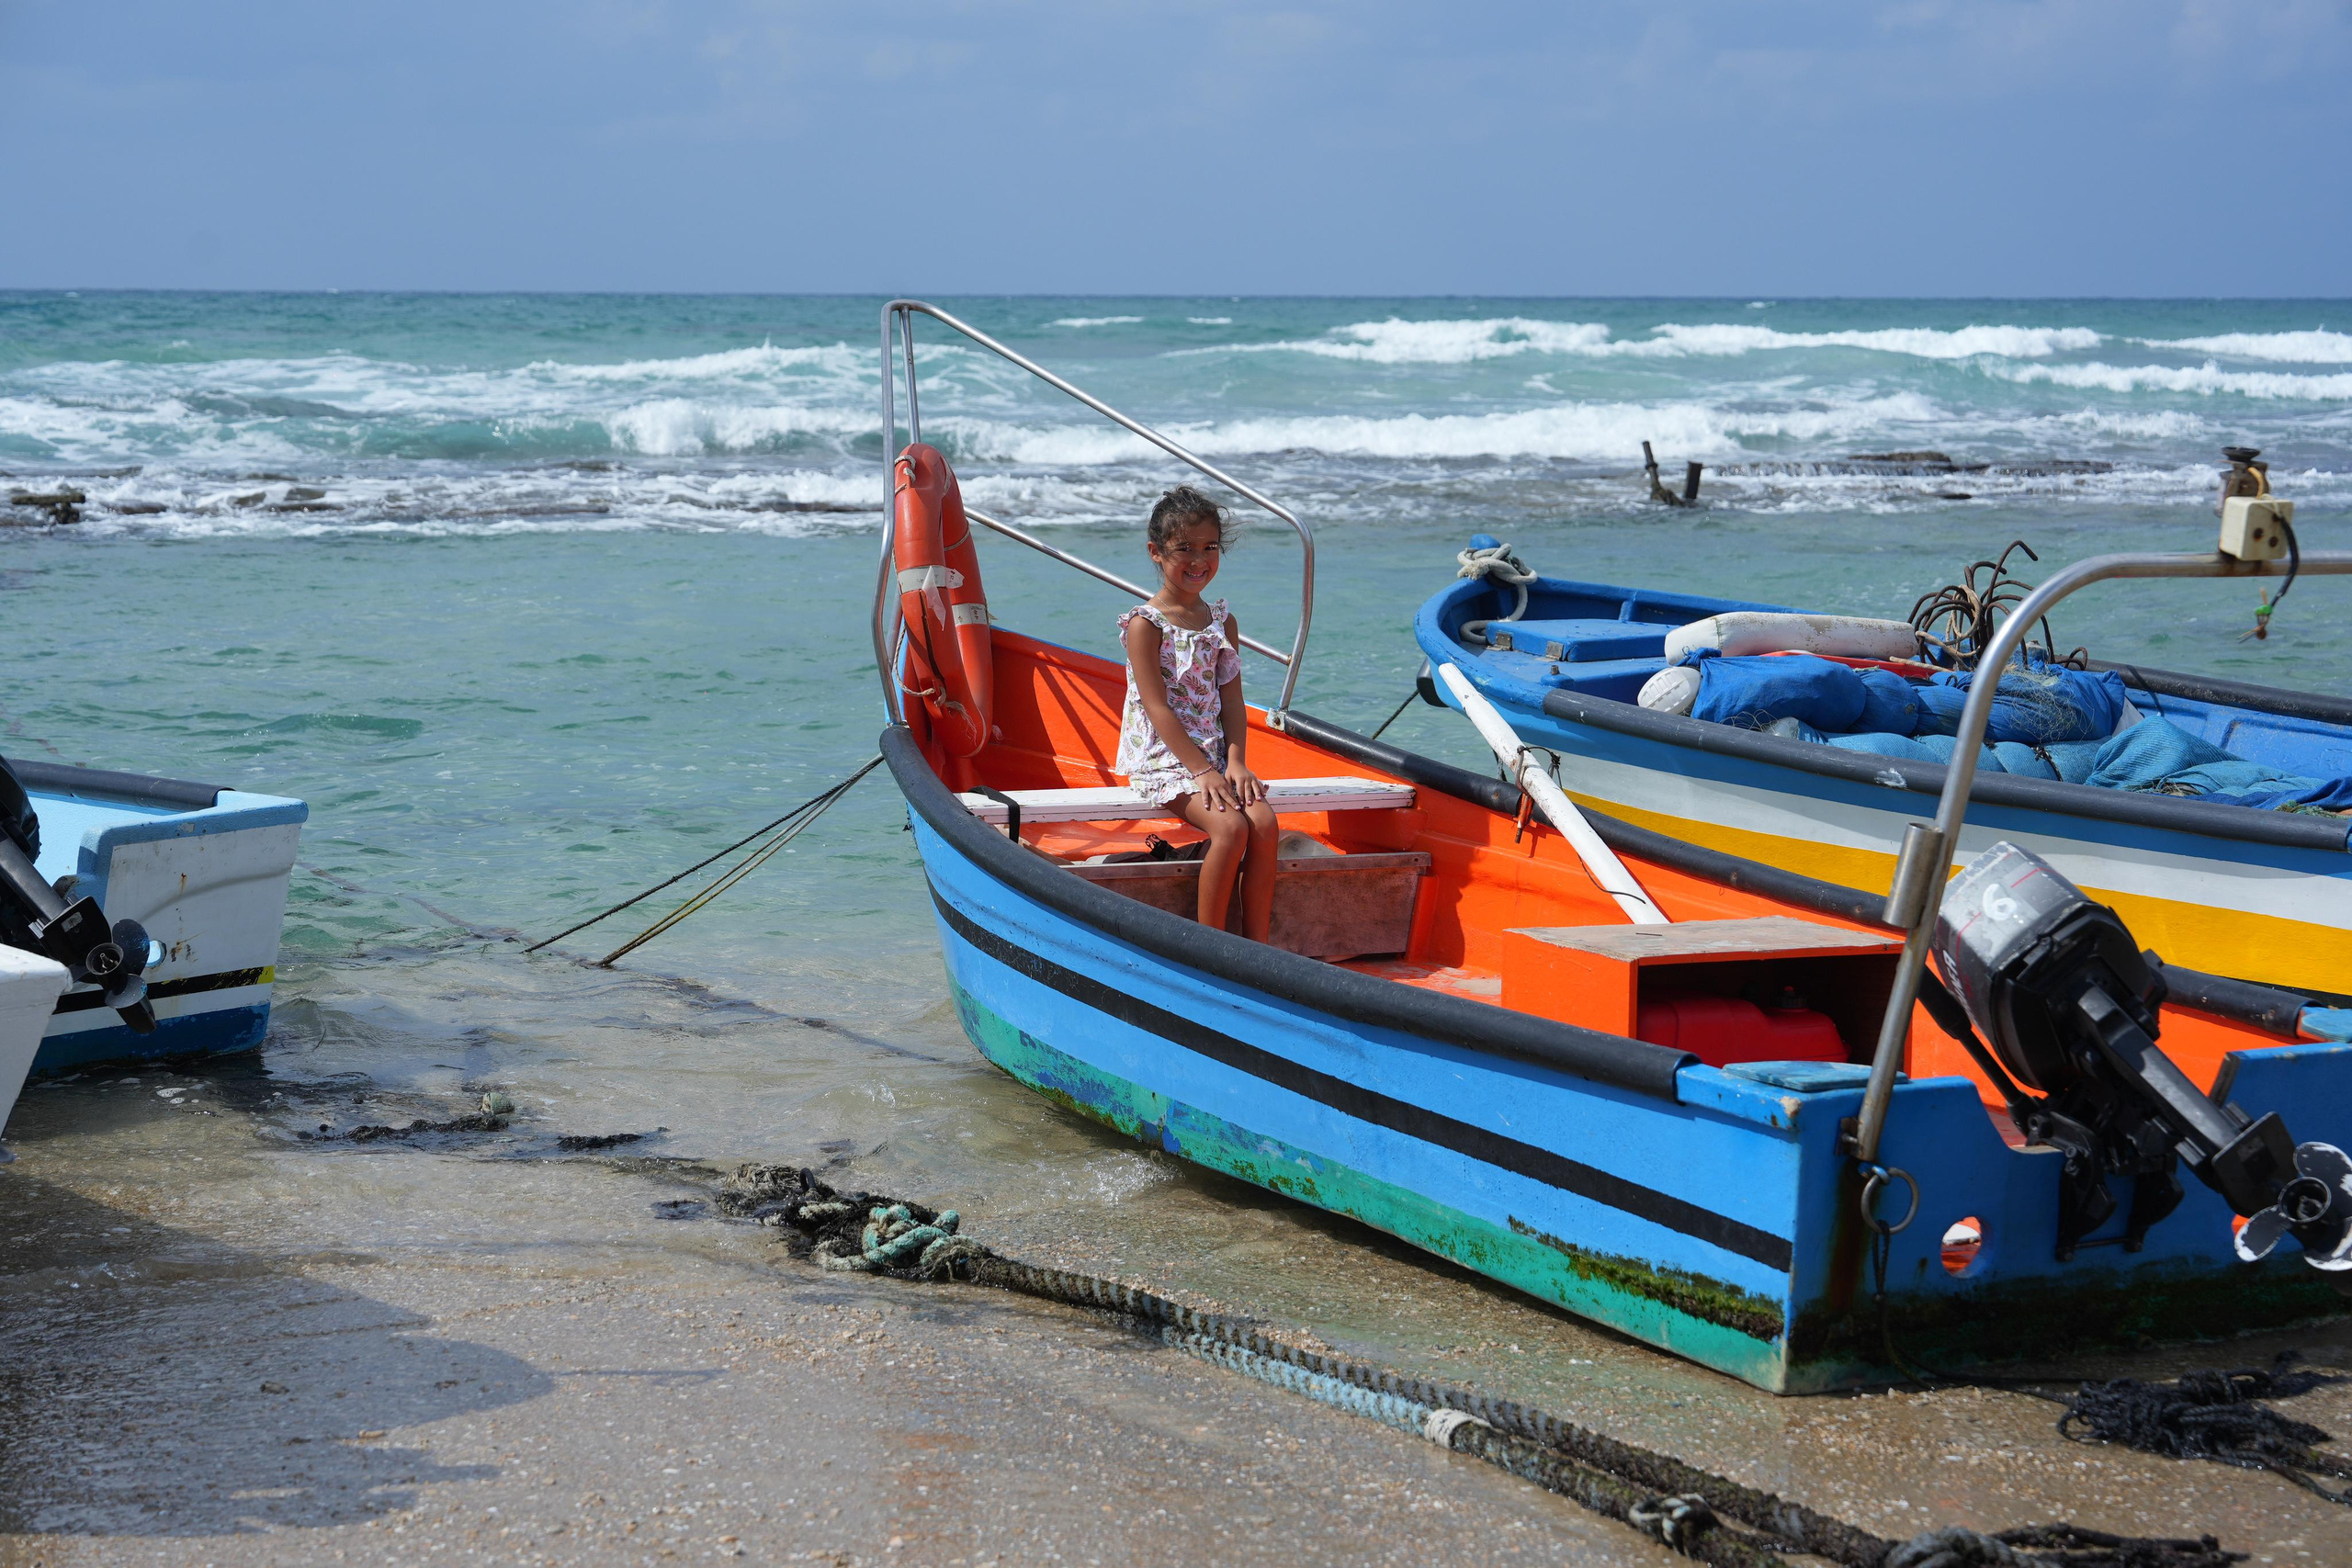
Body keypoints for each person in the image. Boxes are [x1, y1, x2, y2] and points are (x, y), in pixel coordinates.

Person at [1114, 485, 1280, 942]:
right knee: (1229, 828)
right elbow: (1156, 707)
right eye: (1183, 548)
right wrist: (1203, 772)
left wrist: (1236, 762)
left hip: (1212, 755)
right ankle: (1214, 947)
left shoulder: (1221, 620)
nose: (1198, 560)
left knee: (1264, 824)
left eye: (1209, 547)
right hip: (1165, 758)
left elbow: (1230, 700)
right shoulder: (1145, 624)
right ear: (1155, 552)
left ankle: (1259, 945)